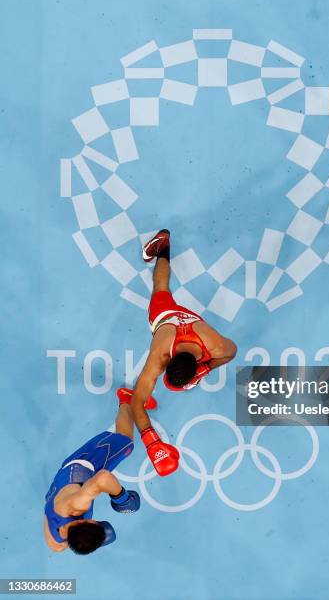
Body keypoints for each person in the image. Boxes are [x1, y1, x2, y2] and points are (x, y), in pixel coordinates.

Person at [131, 229, 237, 475]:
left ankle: (164, 248)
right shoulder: (163, 355)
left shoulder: (212, 348)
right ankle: (163, 245)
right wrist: (152, 444)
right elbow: (136, 400)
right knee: (160, 288)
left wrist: (204, 369)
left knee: (161, 286)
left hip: (184, 323)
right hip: (165, 318)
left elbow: (140, 401)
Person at [43, 387, 176, 554]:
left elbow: (103, 479)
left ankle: (127, 401)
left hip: (84, 465)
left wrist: (122, 498)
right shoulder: (56, 543)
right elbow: (50, 518)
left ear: (82, 522)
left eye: (94, 522)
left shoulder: (78, 504)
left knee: (126, 441)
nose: (96, 521)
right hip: (60, 485)